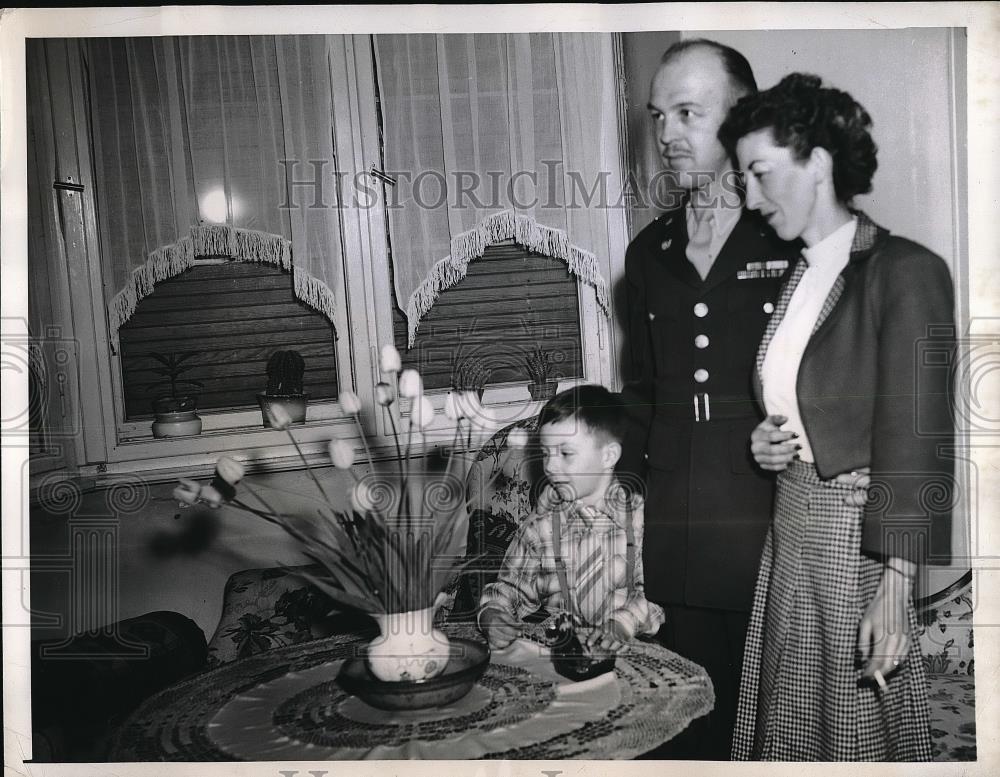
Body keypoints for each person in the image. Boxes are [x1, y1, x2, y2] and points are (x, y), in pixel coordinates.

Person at [718, 72, 955, 760]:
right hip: (791, 531)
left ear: (818, 161)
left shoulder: (904, 268)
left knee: (852, 745)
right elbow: (810, 401)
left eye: (761, 173)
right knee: (790, 734)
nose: (751, 198)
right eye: (743, 178)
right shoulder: (800, 270)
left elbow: (920, 434)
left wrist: (896, 585)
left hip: (858, 544)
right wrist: (768, 440)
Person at [619, 39, 800, 758]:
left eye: (687, 112)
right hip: (673, 522)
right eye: (659, 115)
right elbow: (641, 393)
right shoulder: (648, 252)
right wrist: (625, 502)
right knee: (684, 723)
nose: (666, 134)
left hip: (765, 513)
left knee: (768, 729)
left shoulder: (792, 238)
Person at [479, 385, 665, 653]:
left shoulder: (641, 519)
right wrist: (493, 614)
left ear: (608, 455)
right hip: (563, 654)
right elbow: (510, 587)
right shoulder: (542, 523)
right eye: (546, 453)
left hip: (634, 651)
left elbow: (656, 600)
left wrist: (621, 624)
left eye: (565, 454)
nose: (550, 466)